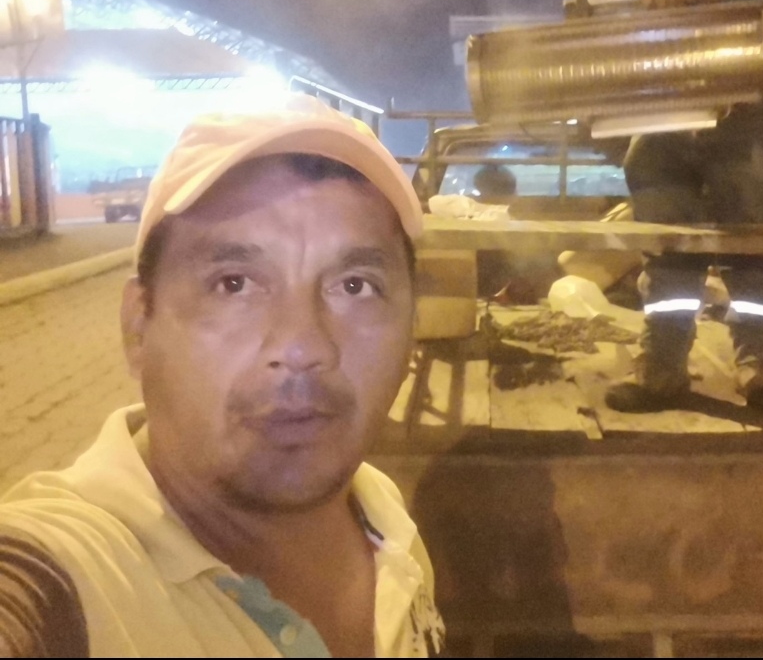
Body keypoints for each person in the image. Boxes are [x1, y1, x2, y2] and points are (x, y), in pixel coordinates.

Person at [0, 96, 444, 657]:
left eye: (355, 286)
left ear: (413, 330)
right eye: (234, 284)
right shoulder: (68, 574)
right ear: (138, 328)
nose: (302, 346)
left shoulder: (383, 515)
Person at [580, 0, 763, 415]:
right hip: (659, 112)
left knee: (752, 242)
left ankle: (758, 368)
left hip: (734, 98)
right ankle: (664, 368)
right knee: (667, 246)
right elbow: (604, 30)